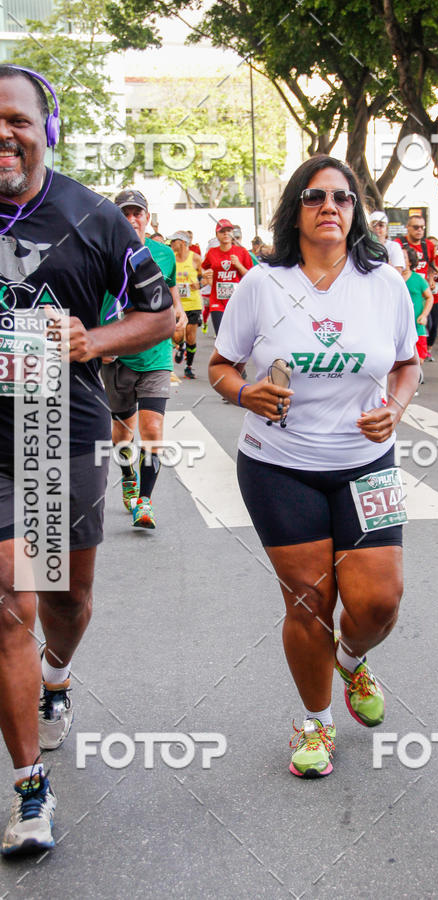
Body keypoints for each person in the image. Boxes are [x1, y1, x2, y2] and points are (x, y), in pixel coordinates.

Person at [0, 66, 174, 855]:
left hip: (57, 425)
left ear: (47, 127)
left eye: (16, 119)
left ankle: (59, 676)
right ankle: (31, 793)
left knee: (65, 596)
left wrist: (92, 340)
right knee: (11, 598)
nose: (3, 135)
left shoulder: (96, 218)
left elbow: (161, 313)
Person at [208, 155, 419, 779]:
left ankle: (351, 659)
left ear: (355, 212)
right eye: (314, 196)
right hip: (280, 464)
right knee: (309, 601)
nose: (330, 206)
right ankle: (316, 722)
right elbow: (219, 364)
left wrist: (397, 408)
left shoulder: (384, 284)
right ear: (294, 211)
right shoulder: (262, 284)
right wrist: (244, 393)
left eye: (343, 198)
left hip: (367, 462)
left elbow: (407, 362)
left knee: (380, 600)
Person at [100, 189, 186, 529]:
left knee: (152, 429)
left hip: (156, 354)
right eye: (126, 213)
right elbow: (92, 299)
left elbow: (172, 292)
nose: (132, 219)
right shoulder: (103, 251)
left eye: (138, 213)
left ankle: (145, 502)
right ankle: (127, 474)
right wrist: (98, 342)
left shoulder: (164, 254)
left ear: (147, 217)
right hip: (116, 355)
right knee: (122, 433)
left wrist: (178, 312)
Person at [202, 219, 252, 336]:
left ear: (232, 233)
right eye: (222, 231)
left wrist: (239, 266)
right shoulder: (212, 252)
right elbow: (204, 269)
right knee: (221, 338)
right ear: (217, 235)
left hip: (237, 302)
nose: (225, 234)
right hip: (217, 302)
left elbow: (250, 276)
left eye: (228, 231)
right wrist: (206, 276)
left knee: (237, 338)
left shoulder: (242, 252)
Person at [170, 230, 203, 379]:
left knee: (191, 337)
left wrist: (199, 284)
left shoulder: (195, 258)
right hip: (178, 305)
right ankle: (180, 346)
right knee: (177, 336)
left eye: (173, 241)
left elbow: (206, 277)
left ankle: (188, 367)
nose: (171, 244)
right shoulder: (172, 258)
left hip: (193, 304)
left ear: (182, 243)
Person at [404, 247, 434, 367]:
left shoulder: (418, 279)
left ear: (410, 262)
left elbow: (429, 297)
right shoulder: (393, 278)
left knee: (419, 360)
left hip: (417, 327)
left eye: (404, 257)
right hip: (399, 328)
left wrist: (424, 315)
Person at [396, 214, 438, 286]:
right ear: (407, 227)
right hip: (404, 286)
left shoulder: (429, 245)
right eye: (416, 227)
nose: (419, 230)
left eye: (422, 227)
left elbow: (431, 266)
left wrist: (431, 280)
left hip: (421, 288)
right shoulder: (397, 244)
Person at [369, 210, 407, 274]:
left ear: (386, 229)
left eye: (381, 225)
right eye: (374, 225)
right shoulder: (363, 246)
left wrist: (384, 259)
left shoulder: (394, 246)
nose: (377, 228)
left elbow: (398, 272)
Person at [425, 235, 438, 360]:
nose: (433, 248)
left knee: (435, 326)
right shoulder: (423, 259)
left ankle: (429, 349)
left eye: (435, 246)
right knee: (428, 323)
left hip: (437, 297)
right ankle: (422, 348)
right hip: (425, 298)